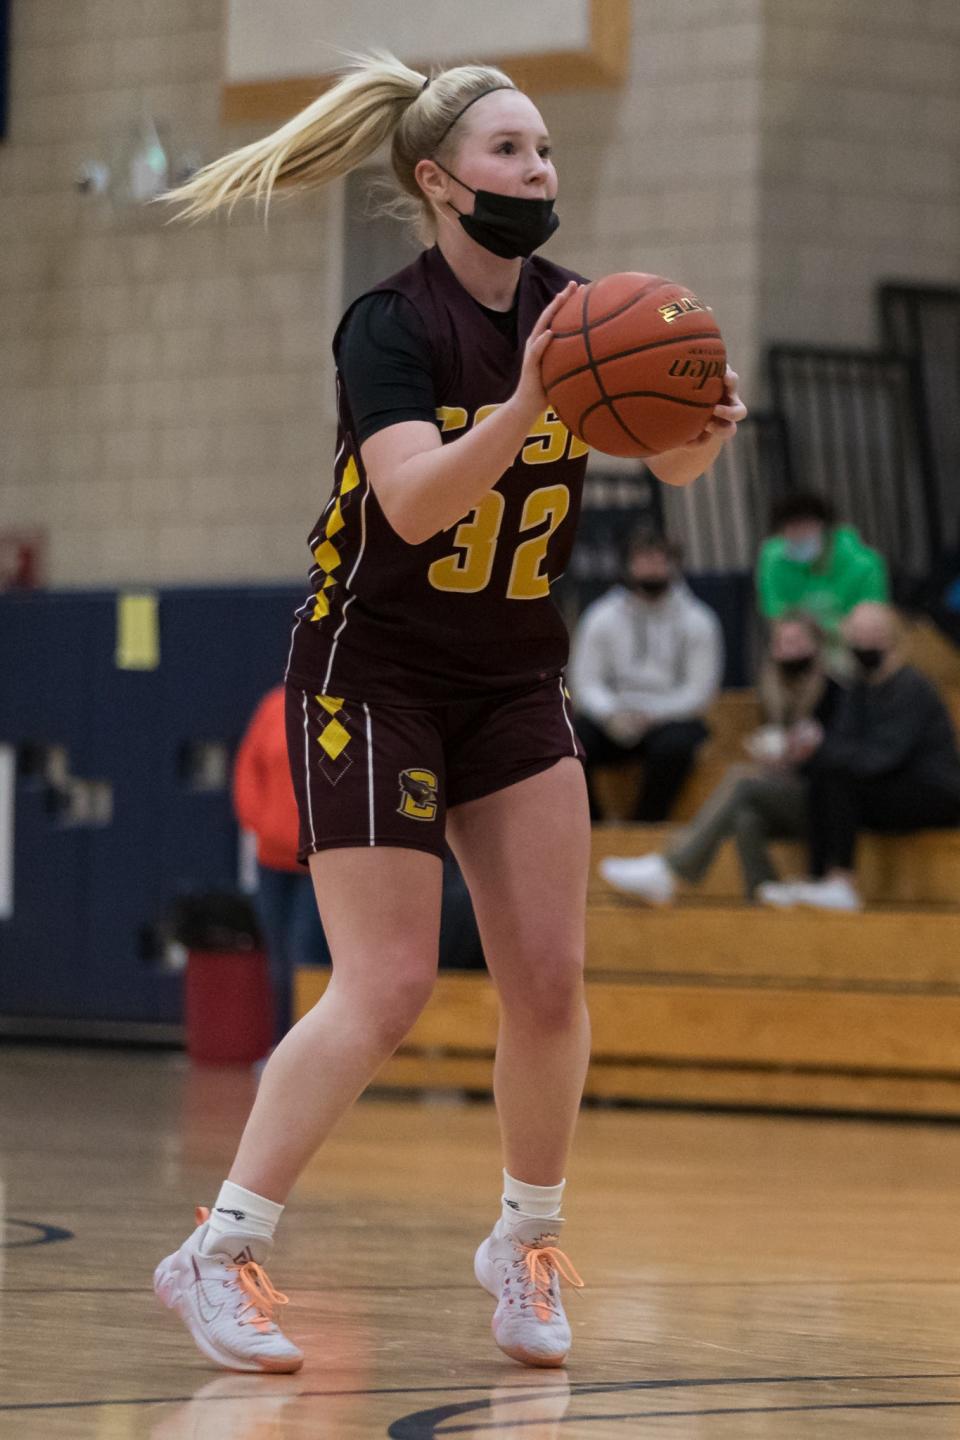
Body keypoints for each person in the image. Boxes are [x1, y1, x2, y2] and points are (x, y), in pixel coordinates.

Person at [152, 54, 746, 1374]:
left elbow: (675, 453)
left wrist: (703, 414)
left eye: (545, 151)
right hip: (378, 671)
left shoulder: (579, 309)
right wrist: (535, 400)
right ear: (437, 180)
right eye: (510, 153)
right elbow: (415, 504)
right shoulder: (391, 324)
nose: (540, 173)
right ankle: (219, 1250)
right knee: (390, 984)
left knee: (547, 977)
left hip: (514, 675)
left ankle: (525, 1243)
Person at [599, 612, 844, 902]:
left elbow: (840, 762)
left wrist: (808, 754)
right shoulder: (772, 692)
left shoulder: (835, 693)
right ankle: (764, 892)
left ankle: (670, 868)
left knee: (742, 782)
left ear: (816, 647)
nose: (788, 650)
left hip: (827, 802)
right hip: (789, 789)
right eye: (782, 642)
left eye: (796, 642)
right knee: (745, 816)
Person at [759, 603, 960, 912]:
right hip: (886, 783)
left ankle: (842, 881)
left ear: (891, 638)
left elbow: (885, 756)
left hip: (933, 790)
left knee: (839, 777)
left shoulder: (912, 687)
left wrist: (834, 756)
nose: (863, 646)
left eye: (872, 636)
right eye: (858, 637)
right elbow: (838, 742)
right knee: (823, 774)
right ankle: (817, 878)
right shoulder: (859, 688)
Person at [570, 528, 724, 821]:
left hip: (670, 719)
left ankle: (646, 825)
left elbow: (699, 691)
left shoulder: (699, 619)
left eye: (659, 559)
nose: (652, 567)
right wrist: (612, 713)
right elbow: (586, 681)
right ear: (628, 565)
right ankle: (596, 825)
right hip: (614, 717)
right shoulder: (601, 616)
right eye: (644, 559)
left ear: (675, 565)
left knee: (676, 746)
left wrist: (653, 714)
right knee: (570, 741)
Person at [233, 686, 333, 1039]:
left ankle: (314, 1049)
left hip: (318, 861)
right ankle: (281, 1045)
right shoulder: (275, 705)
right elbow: (248, 768)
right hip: (272, 860)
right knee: (278, 962)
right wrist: (260, 822)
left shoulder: (339, 708)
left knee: (306, 956)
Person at [757, 492, 889, 652]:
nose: (798, 537)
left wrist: (819, 628)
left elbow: (872, 623)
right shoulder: (773, 558)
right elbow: (776, 619)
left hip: (854, 650)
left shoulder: (864, 564)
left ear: (826, 529)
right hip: (803, 650)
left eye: (805, 529)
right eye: (791, 531)